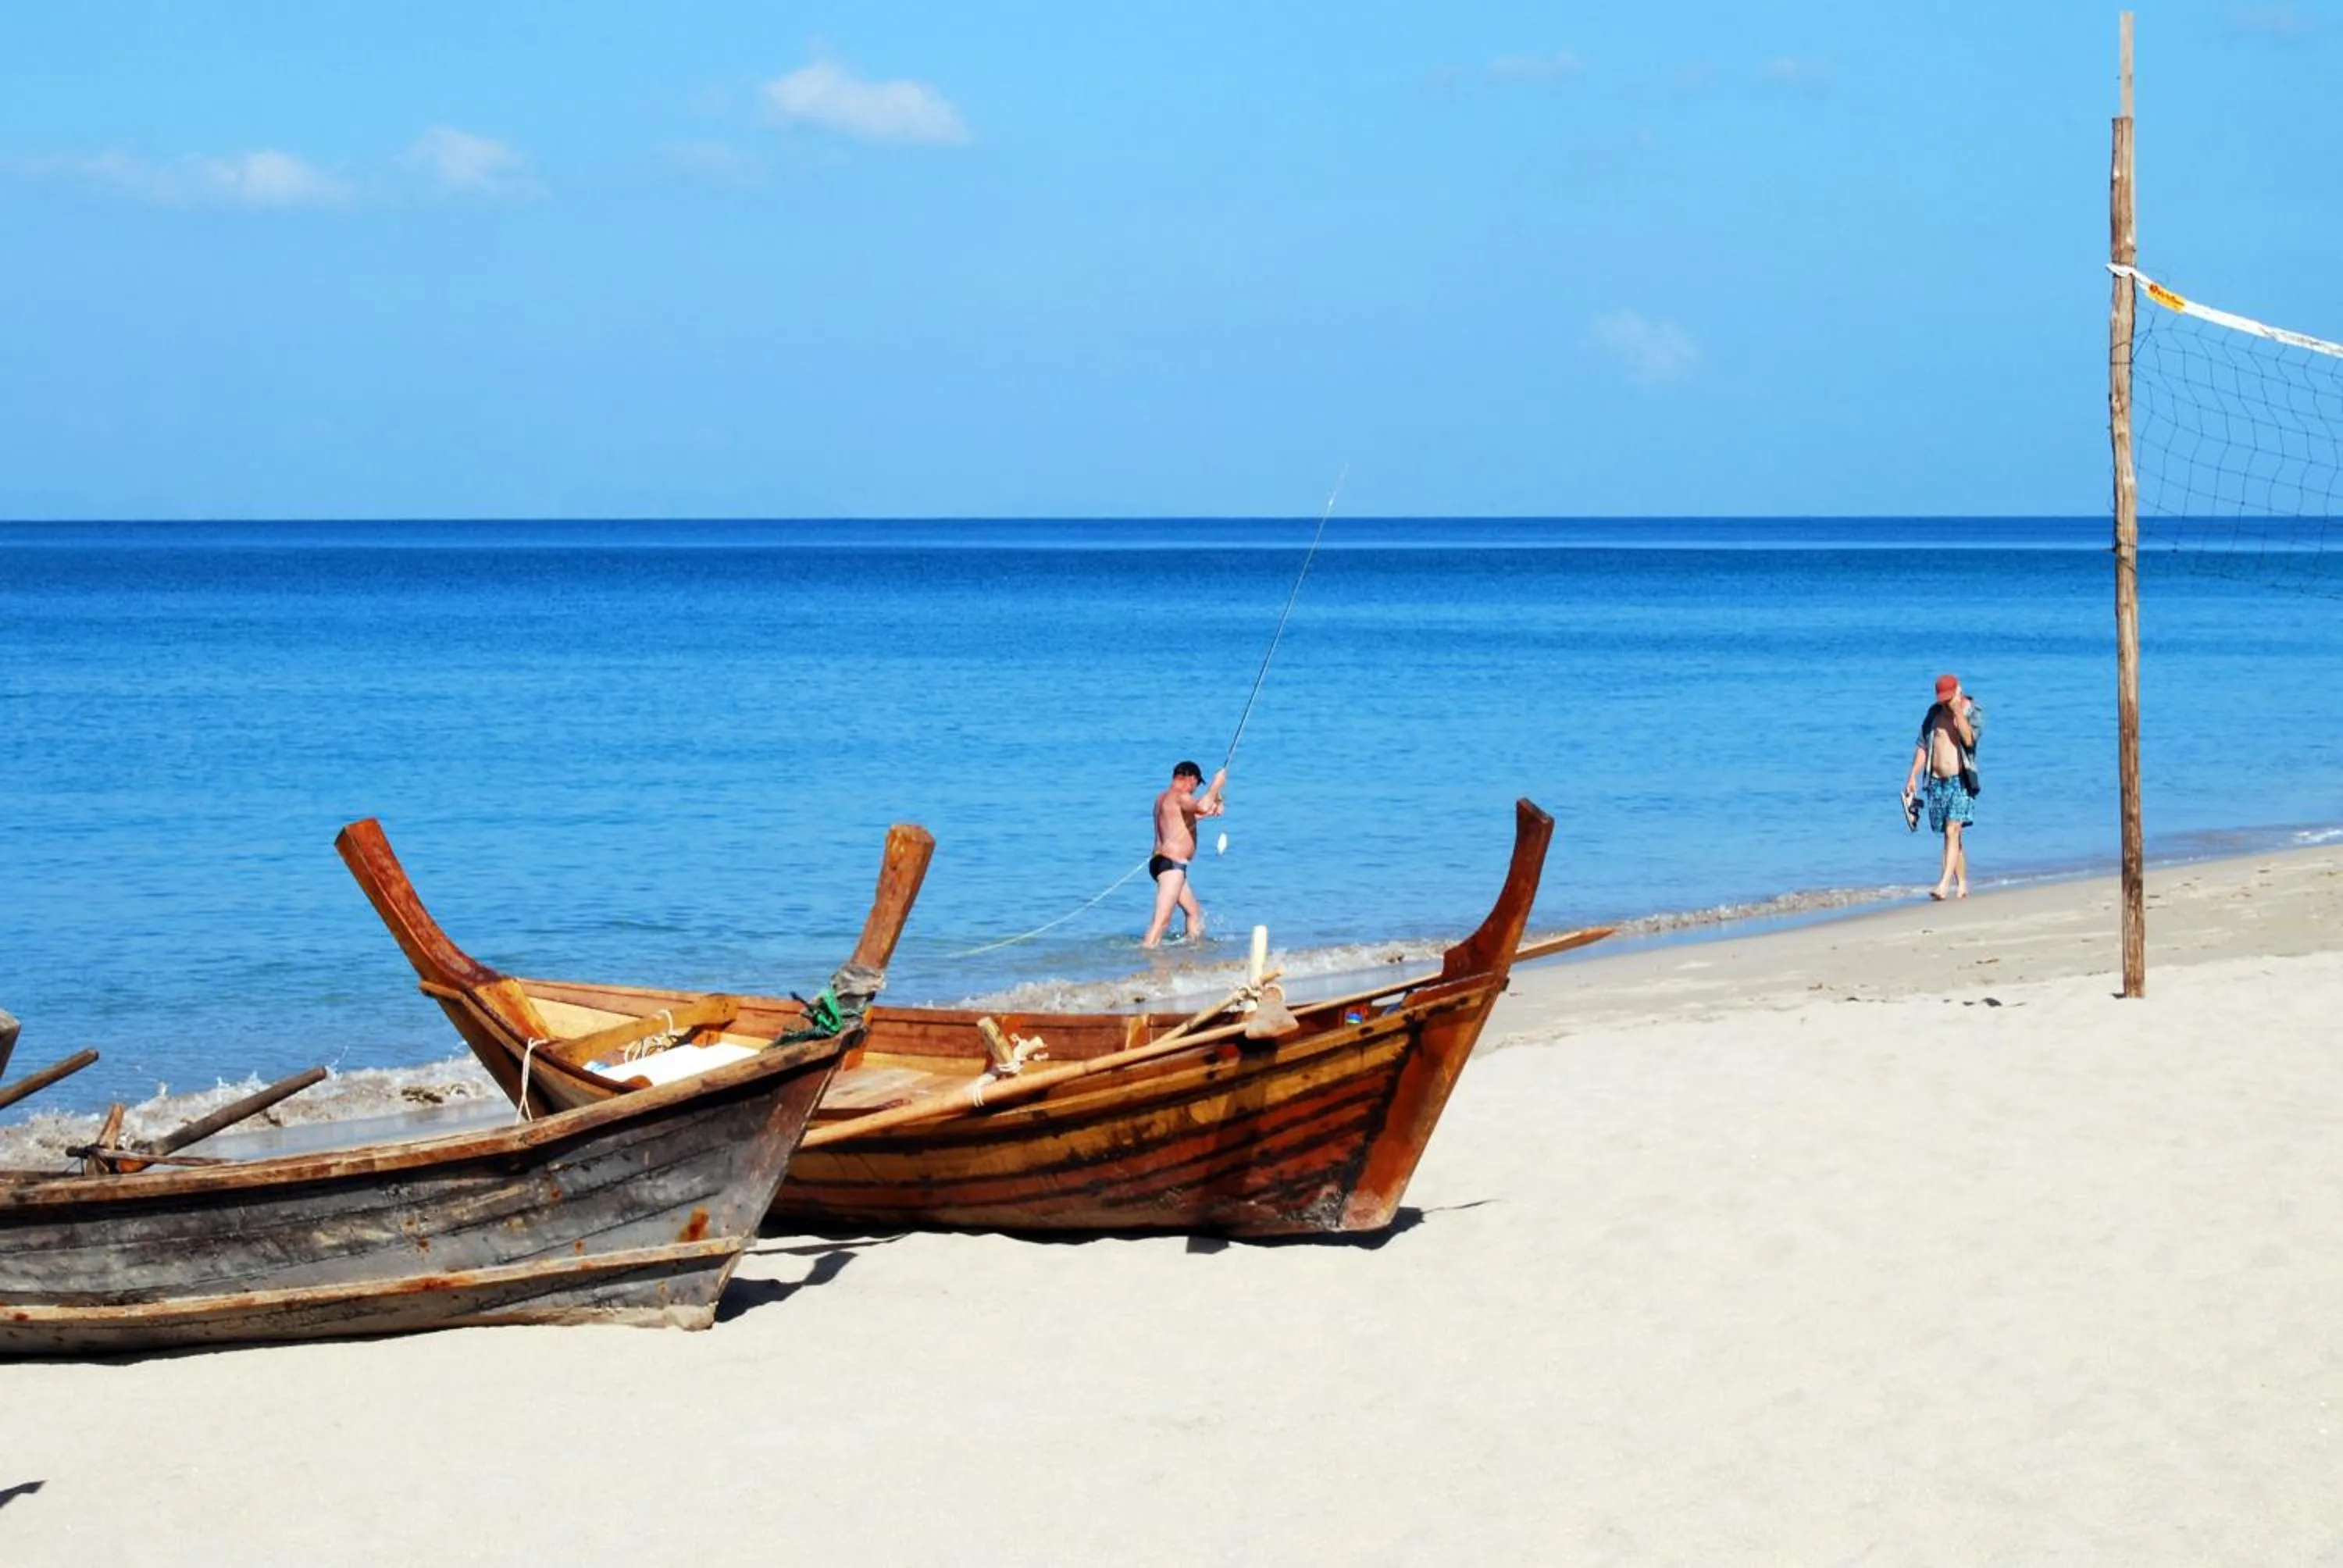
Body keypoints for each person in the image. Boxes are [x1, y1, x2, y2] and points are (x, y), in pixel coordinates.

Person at [1902, 672, 1981, 900]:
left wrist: (1957, 712)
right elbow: (1922, 746)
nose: (1945, 703)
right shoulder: (1933, 714)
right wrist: (1912, 776)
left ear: (1958, 691)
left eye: (1949, 698)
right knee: (1953, 836)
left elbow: (1969, 741)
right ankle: (1963, 884)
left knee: (1952, 830)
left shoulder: (1972, 713)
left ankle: (1944, 884)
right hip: (1936, 783)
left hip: (1961, 781)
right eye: (1943, 700)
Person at [1143, 760, 1226, 947]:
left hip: (1161, 863)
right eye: (1197, 785)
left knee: (1193, 912)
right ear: (1191, 778)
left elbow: (1193, 815)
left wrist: (1217, 801)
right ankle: (1145, 961)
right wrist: (1216, 784)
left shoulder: (1163, 797)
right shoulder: (1180, 795)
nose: (1195, 790)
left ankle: (1192, 954)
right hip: (1171, 866)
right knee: (1161, 922)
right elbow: (1202, 807)